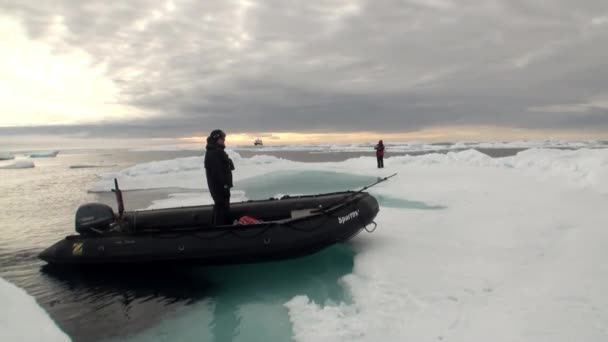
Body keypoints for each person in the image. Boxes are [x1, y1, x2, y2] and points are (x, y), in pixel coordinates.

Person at [204, 129, 235, 226]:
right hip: (219, 188)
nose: (224, 140)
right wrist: (224, 185)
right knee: (221, 207)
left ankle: (221, 227)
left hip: (221, 187)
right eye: (222, 138)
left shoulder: (217, 151)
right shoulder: (214, 153)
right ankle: (220, 229)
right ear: (216, 139)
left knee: (222, 207)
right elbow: (217, 173)